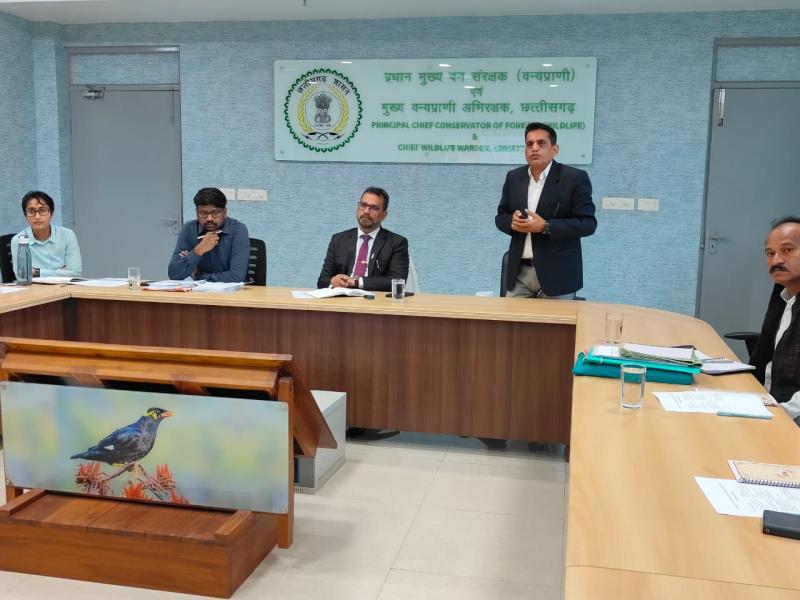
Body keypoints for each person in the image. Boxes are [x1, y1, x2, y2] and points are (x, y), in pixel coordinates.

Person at [495, 122, 597, 299]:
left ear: (554, 149)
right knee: (512, 319)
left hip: (558, 273)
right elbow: (501, 216)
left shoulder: (574, 178)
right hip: (519, 273)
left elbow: (588, 224)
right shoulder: (514, 177)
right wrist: (511, 222)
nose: (534, 148)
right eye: (529, 144)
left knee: (555, 320)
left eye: (541, 143)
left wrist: (546, 226)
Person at [750, 216, 800, 425]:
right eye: (770, 253)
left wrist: (778, 414)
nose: (776, 260)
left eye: (787, 250)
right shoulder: (784, 297)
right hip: (769, 404)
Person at [317, 186, 409, 292]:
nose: (366, 211)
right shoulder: (338, 240)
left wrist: (357, 282)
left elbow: (398, 281)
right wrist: (332, 281)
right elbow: (322, 281)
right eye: (363, 205)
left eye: (374, 207)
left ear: (384, 215)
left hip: (375, 299)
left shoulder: (396, 243)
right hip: (342, 298)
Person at [168, 188, 250, 282]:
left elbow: (236, 277)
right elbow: (174, 274)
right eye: (203, 213)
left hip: (234, 291)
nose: (209, 219)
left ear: (224, 212)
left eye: (215, 213)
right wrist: (198, 251)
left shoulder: (238, 230)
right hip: (200, 290)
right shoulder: (189, 229)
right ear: (197, 213)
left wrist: (198, 276)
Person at [10, 191, 82, 278]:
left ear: (51, 213)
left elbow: (76, 273)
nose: (37, 217)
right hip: (34, 287)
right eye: (31, 211)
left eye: (42, 210)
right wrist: (60, 272)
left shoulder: (67, 235)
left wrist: (36, 272)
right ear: (25, 215)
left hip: (64, 286)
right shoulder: (18, 240)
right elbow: (22, 275)